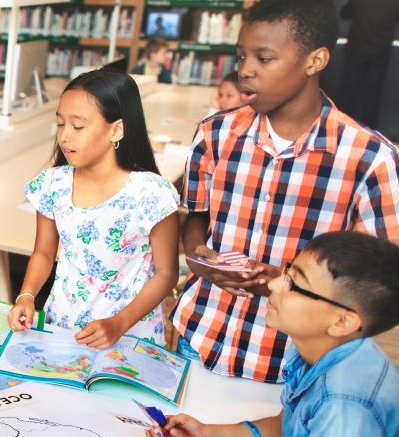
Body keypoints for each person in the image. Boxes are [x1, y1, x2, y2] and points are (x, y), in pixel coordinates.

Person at [170, 0, 399, 383]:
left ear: (315, 61)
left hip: (294, 365)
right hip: (199, 336)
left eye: (265, 58)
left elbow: (380, 282)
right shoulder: (214, 134)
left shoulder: (371, 159)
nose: (245, 70)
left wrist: (287, 284)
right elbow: (197, 215)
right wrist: (197, 256)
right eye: (241, 55)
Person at [150, 232, 399, 437]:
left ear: (342, 322)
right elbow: (290, 425)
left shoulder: (345, 398)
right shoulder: (317, 345)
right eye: (287, 271)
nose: (276, 284)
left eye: (294, 284)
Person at [8, 70, 180, 348]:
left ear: (116, 129)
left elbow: (166, 273)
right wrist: (26, 295)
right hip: (64, 326)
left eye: (78, 127)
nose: (64, 137)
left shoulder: (152, 193)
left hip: (131, 332)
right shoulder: (53, 184)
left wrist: (120, 323)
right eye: (60, 124)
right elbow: (43, 252)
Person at [337, 0, 399, 129]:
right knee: (372, 93)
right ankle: (369, 132)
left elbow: (344, 14)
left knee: (348, 89)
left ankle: (339, 127)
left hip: (356, 49)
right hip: (380, 52)